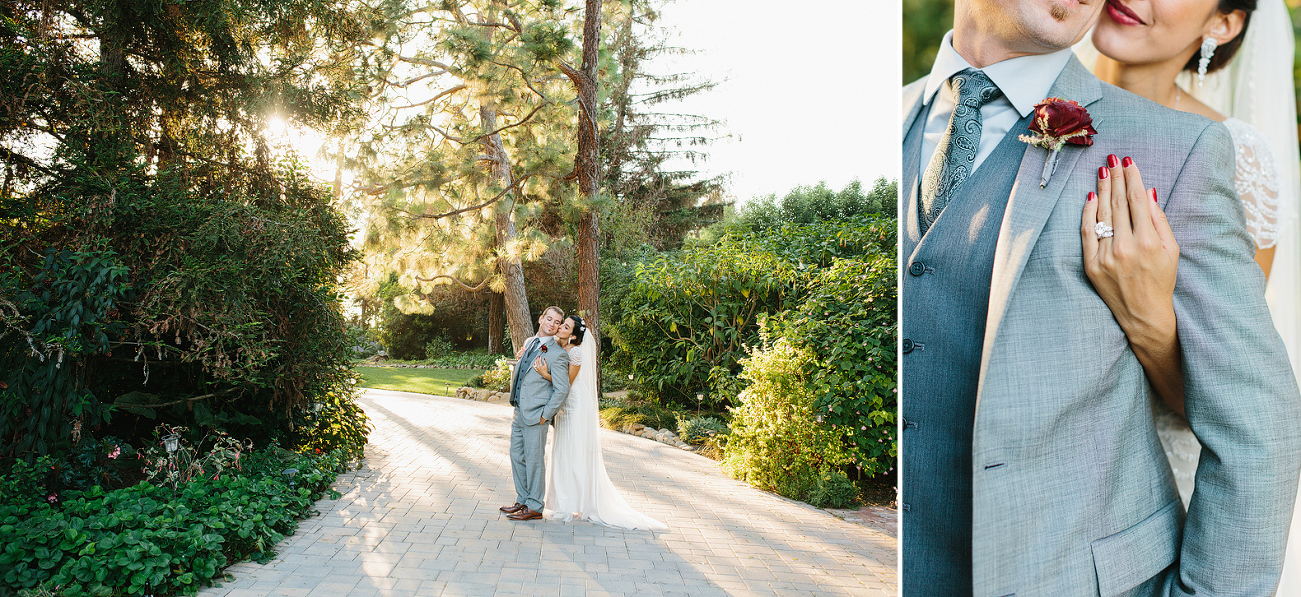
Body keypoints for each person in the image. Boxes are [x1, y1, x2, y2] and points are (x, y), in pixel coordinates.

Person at [900, 0, 1301, 594]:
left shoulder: (1196, 150)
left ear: (1225, 23)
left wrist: (1149, 320)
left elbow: (1253, 420)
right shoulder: (897, 111)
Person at [1072, 0, 1301, 589]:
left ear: (1222, 24)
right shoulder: (1015, 112)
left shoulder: (1233, 158)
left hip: (1136, 516)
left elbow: (1233, 402)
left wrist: (1148, 318)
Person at [531, 315, 666, 530]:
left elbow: (567, 383)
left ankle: (572, 504)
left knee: (572, 450)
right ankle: (564, 501)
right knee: (562, 450)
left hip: (575, 406)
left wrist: (545, 374)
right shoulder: (561, 346)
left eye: (565, 326)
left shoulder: (575, 352)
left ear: (573, 335)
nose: (560, 327)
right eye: (562, 324)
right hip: (565, 406)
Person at [500, 306, 570, 521]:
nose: (552, 324)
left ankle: (535, 506)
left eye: (557, 322)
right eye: (549, 319)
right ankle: (523, 499)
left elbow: (562, 389)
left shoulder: (557, 354)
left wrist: (545, 415)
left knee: (534, 460)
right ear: (541, 319)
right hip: (519, 411)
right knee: (516, 456)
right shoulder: (530, 342)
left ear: (558, 327)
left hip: (536, 415)